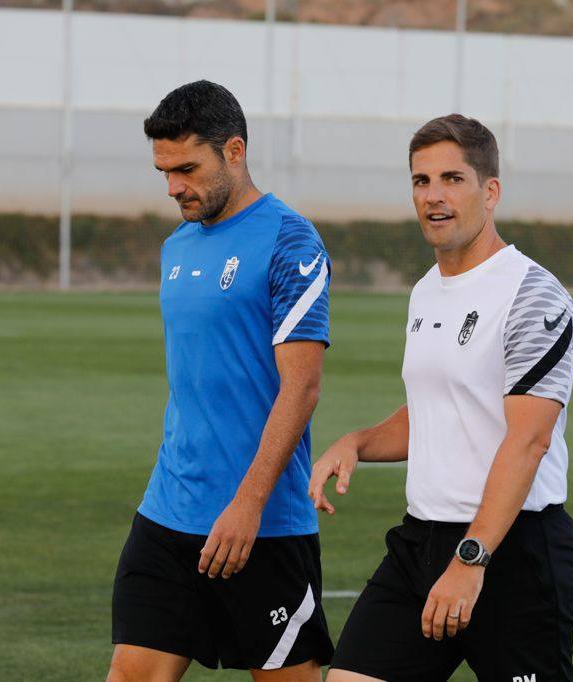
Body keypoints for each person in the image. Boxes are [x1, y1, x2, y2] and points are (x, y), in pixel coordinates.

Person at [310, 114, 573, 682]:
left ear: (491, 191)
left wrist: (471, 559)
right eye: (421, 180)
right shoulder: (426, 291)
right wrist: (357, 442)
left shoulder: (534, 295)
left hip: (512, 551)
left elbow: (528, 442)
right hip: (421, 542)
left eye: (452, 179)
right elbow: (438, 413)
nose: (433, 195)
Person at [108, 80, 334, 682]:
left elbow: (302, 388)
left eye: (187, 169)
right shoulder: (176, 246)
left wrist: (247, 504)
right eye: (164, 172)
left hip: (262, 524)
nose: (174, 187)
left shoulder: (291, 241)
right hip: (168, 512)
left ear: (234, 151)